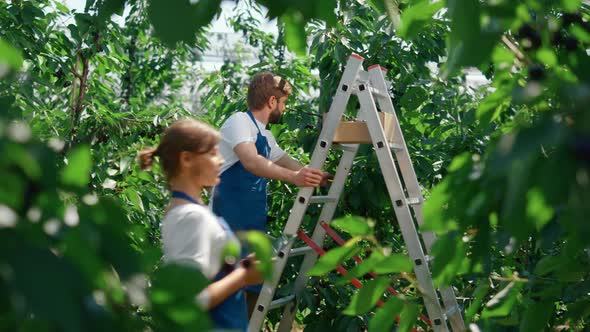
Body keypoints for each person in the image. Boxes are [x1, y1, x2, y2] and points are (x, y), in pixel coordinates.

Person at [211, 72, 330, 314]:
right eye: (284, 103)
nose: (284, 109)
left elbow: (287, 161)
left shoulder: (265, 134)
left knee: (252, 290)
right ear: (272, 102)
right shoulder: (239, 122)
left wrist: (321, 176)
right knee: (226, 293)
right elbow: (251, 161)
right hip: (227, 225)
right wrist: (295, 178)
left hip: (252, 224)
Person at [139, 119, 261, 331]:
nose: (221, 160)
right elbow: (188, 302)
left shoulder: (185, 211)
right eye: (213, 153)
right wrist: (242, 276)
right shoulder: (191, 217)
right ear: (186, 159)